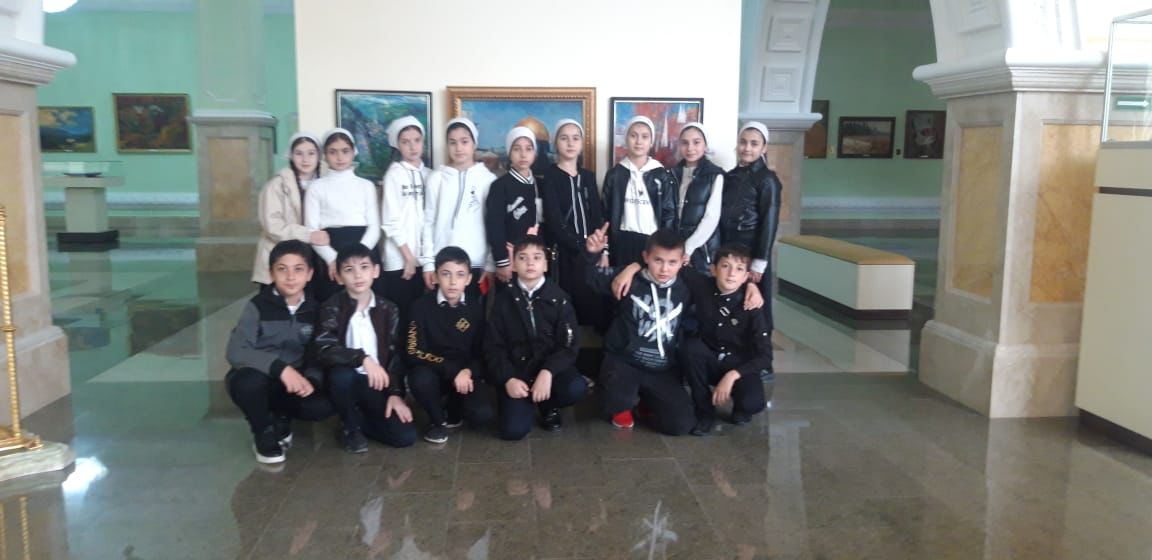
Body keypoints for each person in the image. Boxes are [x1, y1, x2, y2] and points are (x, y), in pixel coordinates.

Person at [226, 240, 334, 464]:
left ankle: (281, 418)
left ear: (310, 274)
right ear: (271, 273)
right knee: (246, 383)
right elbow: (236, 351)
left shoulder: (316, 309)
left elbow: (317, 351)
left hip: (294, 380)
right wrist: (279, 368)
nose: (290, 277)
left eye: (298, 269)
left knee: (321, 406)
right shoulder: (257, 306)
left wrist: (311, 379)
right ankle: (263, 431)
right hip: (260, 375)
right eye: (282, 269)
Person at [582, 226, 695, 435]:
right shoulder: (628, 278)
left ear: (682, 261)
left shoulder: (688, 285)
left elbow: (719, 286)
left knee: (681, 425)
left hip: (661, 367)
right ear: (646, 257)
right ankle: (622, 402)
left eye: (672, 262)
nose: (664, 269)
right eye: (658, 260)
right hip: (625, 361)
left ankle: (647, 401)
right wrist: (592, 254)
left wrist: (751, 286)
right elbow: (592, 279)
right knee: (614, 402)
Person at [310, 244, 417, 453]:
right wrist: (362, 358)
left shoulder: (389, 309)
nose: (358, 275)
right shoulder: (331, 306)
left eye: (364, 267)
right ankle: (350, 428)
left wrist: (395, 393)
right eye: (349, 269)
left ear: (375, 271)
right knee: (341, 375)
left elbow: (395, 354)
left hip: (376, 382)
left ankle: (357, 419)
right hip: (344, 380)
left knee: (404, 436)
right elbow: (324, 348)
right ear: (339, 277)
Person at [486, 235, 587, 440]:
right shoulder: (503, 301)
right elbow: (493, 346)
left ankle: (548, 405)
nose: (530, 263)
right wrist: (508, 378)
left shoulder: (560, 299)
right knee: (513, 431)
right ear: (514, 265)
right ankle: (518, 399)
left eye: (537, 257)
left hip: (549, 371)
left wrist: (548, 372)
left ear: (546, 265)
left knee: (575, 388)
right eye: (523, 258)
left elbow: (569, 345)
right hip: (517, 373)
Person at [404, 246, 495, 444]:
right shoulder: (420, 307)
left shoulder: (475, 309)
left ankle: (454, 410)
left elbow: (482, 351)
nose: (453, 282)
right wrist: (452, 370)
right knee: (420, 379)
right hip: (433, 371)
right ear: (435, 277)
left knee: (482, 415)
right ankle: (437, 421)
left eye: (460, 275)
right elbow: (413, 351)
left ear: (468, 279)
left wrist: (468, 371)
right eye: (446, 274)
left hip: (464, 375)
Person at [677, 244, 771, 434]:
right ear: (713, 269)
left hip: (738, 365)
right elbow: (672, 262)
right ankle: (704, 411)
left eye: (739, 269)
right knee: (690, 348)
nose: (731, 274)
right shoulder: (703, 286)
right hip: (710, 359)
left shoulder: (752, 303)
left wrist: (732, 375)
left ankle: (740, 407)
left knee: (752, 403)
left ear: (745, 276)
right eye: (725, 266)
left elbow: (765, 356)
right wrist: (632, 268)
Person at [720, 121, 783, 383]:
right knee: (735, 305)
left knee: (758, 306)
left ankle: (764, 362)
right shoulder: (730, 176)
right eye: (743, 142)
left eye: (754, 143)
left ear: (764, 147)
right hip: (729, 250)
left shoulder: (768, 179)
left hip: (752, 251)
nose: (747, 148)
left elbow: (769, 222)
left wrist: (759, 262)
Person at [541, 119, 610, 332]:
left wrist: (603, 251)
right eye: (564, 138)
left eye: (575, 138)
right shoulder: (550, 176)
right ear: (555, 143)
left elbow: (597, 217)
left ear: (581, 143)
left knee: (592, 308)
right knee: (564, 311)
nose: (570, 143)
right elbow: (555, 221)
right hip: (564, 256)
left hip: (592, 254)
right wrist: (583, 245)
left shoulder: (588, 177)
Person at [421, 118, 496, 304]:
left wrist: (490, 264)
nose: (459, 148)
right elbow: (428, 222)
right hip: (442, 263)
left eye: (464, 141)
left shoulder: (488, 180)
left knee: (473, 316)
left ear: (474, 144)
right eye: (452, 142)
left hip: (475, 264)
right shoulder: (436, 179)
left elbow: (493, 225)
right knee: (440, 315)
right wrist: (428, 263)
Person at [304, 128, 381, 302]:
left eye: (345, 151)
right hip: (329, 249)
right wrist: (333, 259)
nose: (340, 157)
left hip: (364, 247)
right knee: (333, 304)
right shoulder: (316, 187)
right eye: (333, 152)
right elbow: (312, 231)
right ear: (325, 155)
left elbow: (374, 228)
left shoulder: (366, 186)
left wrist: (360, 259)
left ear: (354, 152)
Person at [251, 132, 329, 285]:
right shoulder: (277, 185)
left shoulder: (327, 183)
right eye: (299, 153)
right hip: (282, 258)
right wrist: (308, 235)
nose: (305, 159)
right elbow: (272, 226)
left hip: (315, 258)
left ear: (319, 155)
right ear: (291, 156)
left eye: (311, 153)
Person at [602, 115, 678, 266]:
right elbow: (605, 214)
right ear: (626, 139)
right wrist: (605, 250)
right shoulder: (615, 174)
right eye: (633, 136)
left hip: (653, 242)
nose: (638, 141)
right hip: (622, 241)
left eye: (644, 136)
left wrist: (666, 247)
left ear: (651, 141)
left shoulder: (661, 174)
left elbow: (669, 214)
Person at [379, 116, 429, 320]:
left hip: (424, 259)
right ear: (398, 145)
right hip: (400, 260)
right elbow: (390, 221)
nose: (412, 147)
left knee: (420, 317)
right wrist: (408, 258)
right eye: (405, 142)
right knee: (403, 317)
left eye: (416, 140)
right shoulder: (393, 175)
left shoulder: (431, 174)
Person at [486, 126, 542, 289]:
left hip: (535, 261)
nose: (523, 154)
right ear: (509, 153)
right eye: (517, 149)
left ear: (535, 153)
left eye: (528, 149)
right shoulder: (499, 186)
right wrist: (502, 261)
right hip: (511, 260)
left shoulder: (540, 184)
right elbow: (494, 226)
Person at [673, 123, 725, 272]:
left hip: (703, 248)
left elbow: (711, 218)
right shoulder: (673, 173)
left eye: (696, 142)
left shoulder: (715, 175)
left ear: (705, 145)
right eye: (685, 143)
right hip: (676, 246)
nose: (690, 148)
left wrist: (689, 247)